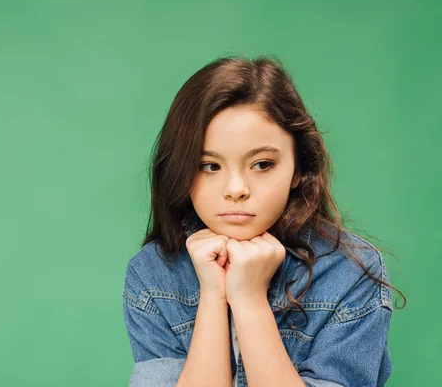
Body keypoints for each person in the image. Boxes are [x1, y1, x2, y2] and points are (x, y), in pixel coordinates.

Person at [121, 56, 406, 387]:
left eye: (262, 164)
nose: (236, 189)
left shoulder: (350, 273)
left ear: (299, 168)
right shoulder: (154, 274)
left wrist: (250, 299)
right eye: (209, 166)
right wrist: (213, 295)